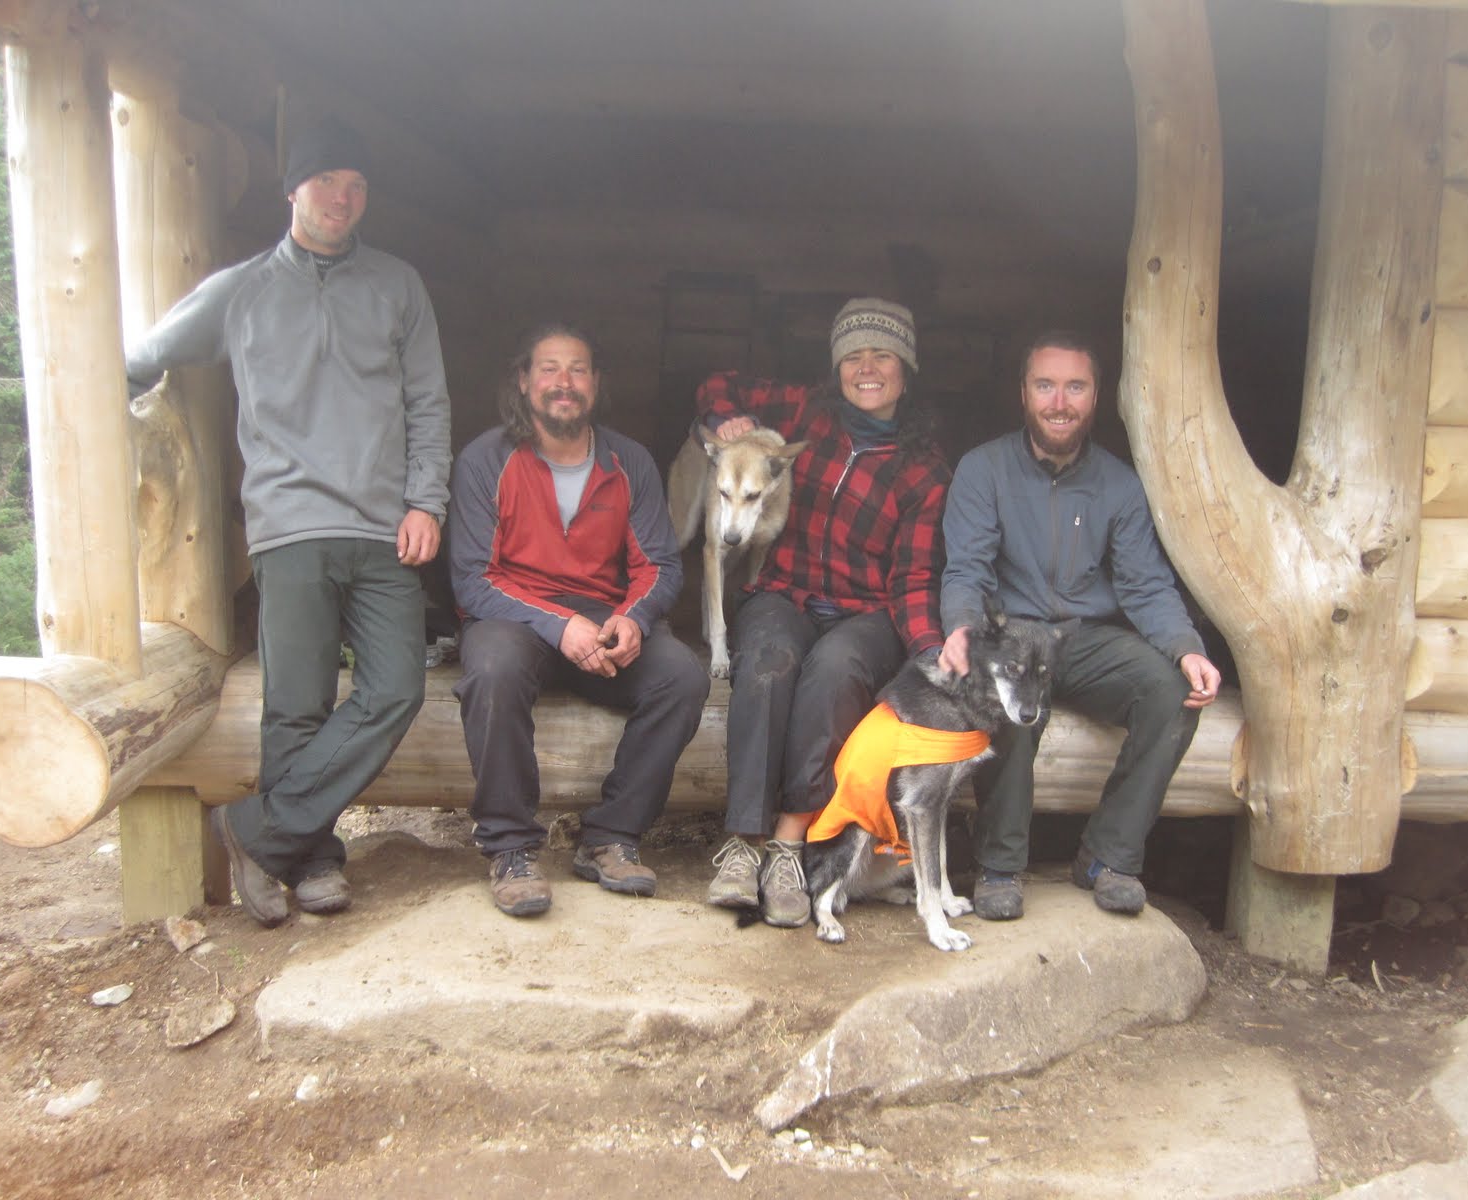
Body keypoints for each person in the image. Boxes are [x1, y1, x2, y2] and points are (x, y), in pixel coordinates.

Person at [125, 119, 451, 927]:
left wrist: (426, 501)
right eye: (326, 181)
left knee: (396, 687)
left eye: (357, 185)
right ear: (291, 190)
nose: (344, 198)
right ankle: (309, 859)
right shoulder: (240, 291)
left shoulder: (397, 284)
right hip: (289, 526)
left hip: (384, 528)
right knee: (296, 704)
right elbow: (141, 354)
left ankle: (255, 830)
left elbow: (428, 402)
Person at [939, 331, 1222, 919]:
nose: (1059, 402)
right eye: (1045, 385)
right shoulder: (982, 468)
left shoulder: (1119, 483)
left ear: (1097, 397)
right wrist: (962, 629)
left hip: (1084, 641)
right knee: (1009, 700)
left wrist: (1184, 647)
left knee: (1172, 691)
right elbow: (966, 568)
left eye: (1075, 386)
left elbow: (1145, 583)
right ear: (1023, 393)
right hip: (1013, 634)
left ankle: (1107, 855)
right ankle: (999, 865)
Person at [698, 298, 950, 927]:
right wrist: (728, 419)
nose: (866, 368)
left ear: (906, 367)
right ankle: (742, 846)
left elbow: (914, 575)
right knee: (765, 660)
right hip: (787, 590)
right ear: (836, 366)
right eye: (852, 356)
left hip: (867, 612)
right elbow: (717, 382)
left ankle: (787, 846)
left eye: (882, 356)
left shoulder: (924, 469)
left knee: (833, 673)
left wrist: (928, 651)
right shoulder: (805, 413)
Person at [449, 323, 710, 918]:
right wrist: (556, 625)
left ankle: (611, 837)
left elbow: (661, 566)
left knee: (683, 678)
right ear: (523, 380)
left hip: (601, 618)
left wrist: (633, 618)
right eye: (548, 369)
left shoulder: (629, 461)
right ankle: (511, 848)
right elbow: (472, 579)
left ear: (595, 384)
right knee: (491, 670)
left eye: (577, 370)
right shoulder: (487, 459)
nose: (563, 383)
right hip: (514, 614)